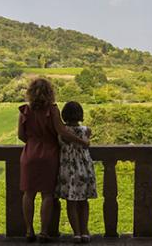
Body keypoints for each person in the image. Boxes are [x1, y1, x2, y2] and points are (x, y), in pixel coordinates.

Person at [18, 78, 88, 242]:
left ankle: (29, 230)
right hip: (49, 154)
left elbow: (21, 136)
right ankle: (44, 232)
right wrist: (82, 142)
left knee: (28, 194)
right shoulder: (52, 110)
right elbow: (62, 132)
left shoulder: (25, 111)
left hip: (29, 154)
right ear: (50, 92)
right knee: (47, 195)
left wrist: (33, 142)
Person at [56, 101, 96, 243]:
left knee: (71, 203)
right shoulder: (86, 130)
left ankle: (77, 233)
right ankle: (85, 231)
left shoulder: (62, 132)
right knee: (84, 202)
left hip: (68, 170)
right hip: (85, 169)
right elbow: (86, 141)